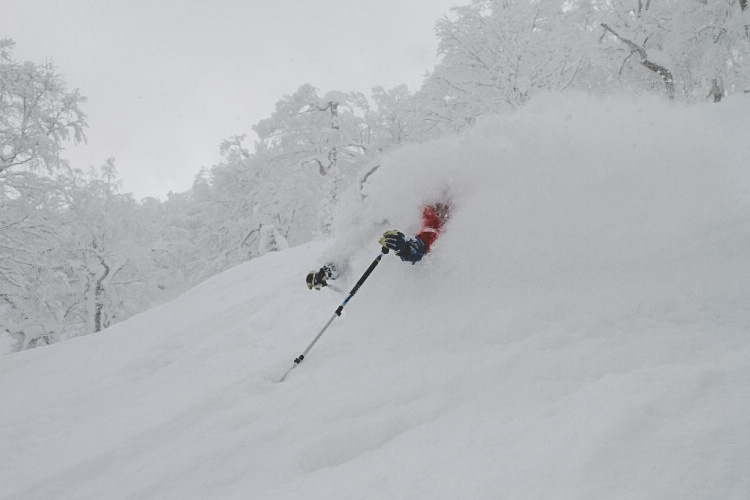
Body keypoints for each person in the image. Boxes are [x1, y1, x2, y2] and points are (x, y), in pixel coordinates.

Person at [306, 202, 450, 290]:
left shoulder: (424, 203)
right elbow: (355, 243)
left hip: (410, 295)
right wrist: (328, 271)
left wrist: (406, 248)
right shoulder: (380, 212)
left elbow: (429, 235)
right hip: (378, 295)